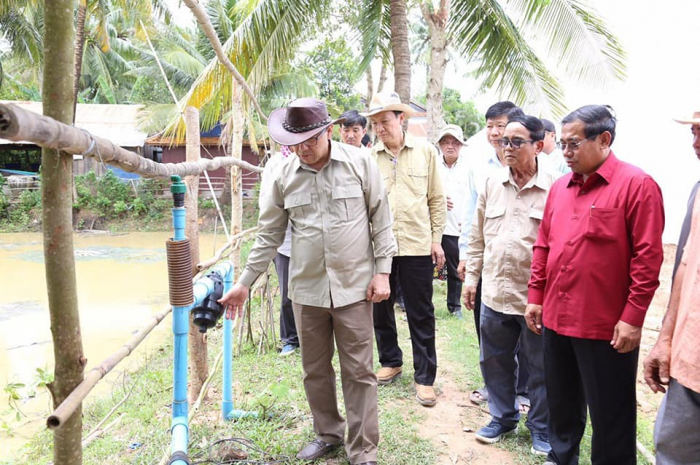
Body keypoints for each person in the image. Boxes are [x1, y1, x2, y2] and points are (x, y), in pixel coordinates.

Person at [219, 98, 396, 465]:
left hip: (354, 287)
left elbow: (381, 219)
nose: (303, 149)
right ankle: (328, 433)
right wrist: (245, 282)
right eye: (295, 142)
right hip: (307, 290)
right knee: (314, 370)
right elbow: (269, 234)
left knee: (359, 371)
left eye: (310, 140)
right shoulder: (283, 175)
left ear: (328, 131)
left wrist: (382, 271)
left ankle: (363, 449)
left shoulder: (360, 163)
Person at [525, 105, 665, 465]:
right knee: (562, 403)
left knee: (611, 413)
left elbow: (648, 259)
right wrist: (536, 295)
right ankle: (560, 457)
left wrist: (633, 318)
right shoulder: (560, 189)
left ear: (604, 139)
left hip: (606, 326)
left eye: (573, 144)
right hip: (557, 317)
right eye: (563, 144)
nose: (566, 153)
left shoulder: (637, 186)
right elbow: (544, 245)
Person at [464, 115, 555, 455]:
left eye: (517, 142)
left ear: (538, 145)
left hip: (534, 299)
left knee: (541, 366)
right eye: (504, 142)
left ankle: (541, 427)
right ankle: (502, 417)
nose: (508, 148)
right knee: (494, 361)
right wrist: (472, 279)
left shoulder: (555, 188)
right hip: (494, 292)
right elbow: (477, 236)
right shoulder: (492, 183)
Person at [364, 91, 446, 407]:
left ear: (401, 119)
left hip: (416, 244)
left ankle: (425, 378)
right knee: (380, 307)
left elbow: (436, 199)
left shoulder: (426, 152)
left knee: (420, 312)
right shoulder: (369, 158)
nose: (379, 128)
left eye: (384, 121)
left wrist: (436, 239)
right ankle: (391, 361)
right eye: (375, 123)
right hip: (380, 247)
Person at [457, 101, 528, 408]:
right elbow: (472, 215)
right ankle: (494, 388)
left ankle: (523, 390)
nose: (495, 133)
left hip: (524, 268)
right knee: (488, 328)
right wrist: (465, 256)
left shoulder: (540, 169)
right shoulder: (479, 166)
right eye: (490, 126)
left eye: (501, 125)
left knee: (524, 330)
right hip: (489, 262)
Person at [642, 111, 700, 464]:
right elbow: (684, 266)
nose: (696, 143)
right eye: (694, 131)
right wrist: (664, 340)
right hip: (690, 361)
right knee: (673, 450)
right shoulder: (699, 191)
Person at [260, 148, 298, 356]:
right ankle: (290, 339)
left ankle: (313, 336)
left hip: (312, 240)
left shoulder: (314, 157)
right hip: (284, 241)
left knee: (313, 291)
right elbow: (266, 200)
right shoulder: (274, 163)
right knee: (286, 293)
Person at [436, 124, 470, 318]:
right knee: (423, 268)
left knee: (455, 267)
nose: (450, 146)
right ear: (440, 145)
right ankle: (417, 305)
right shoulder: (432, 164)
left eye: (455, 142)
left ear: (461, 145)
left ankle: (454, 306)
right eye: (446, 142)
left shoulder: (469, 167)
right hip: (433, 226)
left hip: (457, 226)